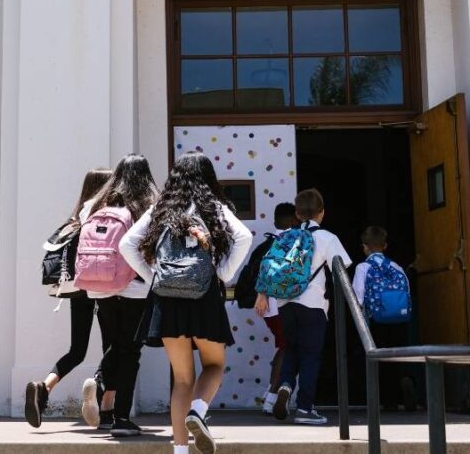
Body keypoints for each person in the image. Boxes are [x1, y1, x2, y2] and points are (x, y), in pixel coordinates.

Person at [120, 152, 253, 454]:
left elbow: (126, 244)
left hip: (167, 298)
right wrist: (222, 273)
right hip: (204, 296)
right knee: (214, 364)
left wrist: (153, 275)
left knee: (181, 379)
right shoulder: (215, 207)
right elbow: (244, 236)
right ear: (208, 177)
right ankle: (198, 411)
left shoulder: (161, 208)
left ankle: (180, 450)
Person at [24, 168, 112, 429]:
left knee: (77, 350)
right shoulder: (106, 215)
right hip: (105, 286)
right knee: (113, 346)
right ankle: (104, 403)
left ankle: (44, 386)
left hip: (78, 287)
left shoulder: (76, 218)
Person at [255, 188, 351, 425]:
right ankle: (305, 408)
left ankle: (286, 385)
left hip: (286, 303)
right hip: (314, 304)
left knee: (292, 349)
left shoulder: (286, 236)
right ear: (322, 213)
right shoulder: (328, 238)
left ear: (297, 214)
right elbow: (343, 268)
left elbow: (269, 266)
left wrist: (263, 294)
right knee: (311, 356)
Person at [79, 155, 159, 437]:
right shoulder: (148, 205)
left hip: (100, 286)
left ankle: (100, 385)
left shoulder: (95, 204)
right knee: (130, 351)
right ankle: (121, 418)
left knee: (115, 344)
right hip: (135, 287)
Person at [236, 202, 298, 414]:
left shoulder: (266, 245)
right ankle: (272, 397)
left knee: (283, 347)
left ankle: (270, 394)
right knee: (287, 348)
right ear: (293, 221)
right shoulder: (290, 243)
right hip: (281, 305)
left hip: (267, 308)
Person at [352, 225, 410, 410]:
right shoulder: (396, 267)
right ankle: (393, 399)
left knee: (372, 359)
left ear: (365, 246)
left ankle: (373, 399)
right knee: (393, 360)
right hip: (397, 320)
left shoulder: (363, 267)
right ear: (385, 245)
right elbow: (406, 292)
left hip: (374, 321)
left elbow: (357, 297)